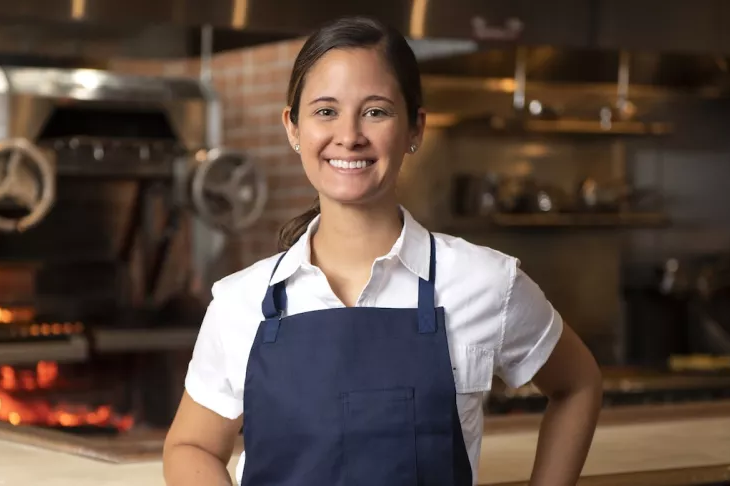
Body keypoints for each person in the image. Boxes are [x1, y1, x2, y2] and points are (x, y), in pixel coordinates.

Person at [163, 15, 603, 486]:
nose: (349, 135)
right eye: (325, 111)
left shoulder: (487, 283)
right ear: (293, 128)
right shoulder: (240, 303)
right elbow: (191, 446)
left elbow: (578, 385)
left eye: (376, 111)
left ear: (415, 128)